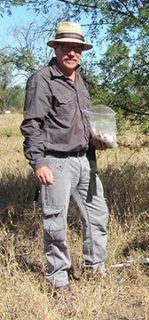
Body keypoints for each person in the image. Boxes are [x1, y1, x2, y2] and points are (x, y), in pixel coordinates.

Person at [20, 21, 109, 297]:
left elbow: (82, 122)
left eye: (77, 48)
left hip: (85, 161)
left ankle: (95, 269)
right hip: (55, 161)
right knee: (55, 220)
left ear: (82, 51)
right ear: (56, 48)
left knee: (97, 216)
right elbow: (32, 125)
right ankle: (58, 279)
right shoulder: (42, 79)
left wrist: (97, 139)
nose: (72, 53)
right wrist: (38, 163)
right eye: (66, 47)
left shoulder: (80, 80)